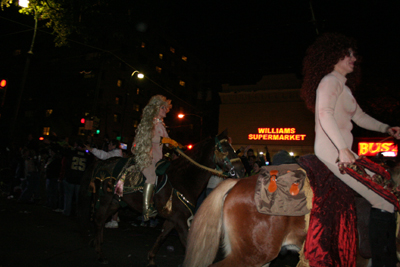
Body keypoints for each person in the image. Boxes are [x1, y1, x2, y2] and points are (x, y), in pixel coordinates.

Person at [301, 32, 400, 266]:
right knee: (384, 201)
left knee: (386, 183)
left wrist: (387, 128)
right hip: (333, 153)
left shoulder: (344, 88)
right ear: (334, 56)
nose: (354, 59)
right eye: (349, 54)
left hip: (344, 152)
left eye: (354, 54)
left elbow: (360, 117)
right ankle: (382, 262)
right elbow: (324, 114)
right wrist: (343, 149)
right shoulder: (329, 81)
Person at [132, 95, 171, 221]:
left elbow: (167, 142)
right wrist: (164, 140)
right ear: (156, 108)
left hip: (158, 159)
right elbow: (150, 138)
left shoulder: (161, 125)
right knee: (151, 176)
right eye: (163, 108)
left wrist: (175, 144)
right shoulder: (149, 122)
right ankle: (146, 209)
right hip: (147, 157)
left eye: (166, 108)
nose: (165, 110)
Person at [86, 139, 122, 228]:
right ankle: (114, 219)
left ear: (114, 145)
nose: (108, 146)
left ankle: (113, 220)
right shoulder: (117, 153)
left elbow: (105, 156)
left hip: (114, 180)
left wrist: (92, 150)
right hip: (115, 179)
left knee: (113, 199)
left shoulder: (116, 153)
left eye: (109, 144)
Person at [61, 140, 92, 217]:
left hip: (70, 178)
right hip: (80, 179)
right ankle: (78, 212)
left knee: (68, 196)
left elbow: (64, 154)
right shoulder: (87, 155)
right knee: (79, 198)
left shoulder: (71, 152)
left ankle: (66, 211)